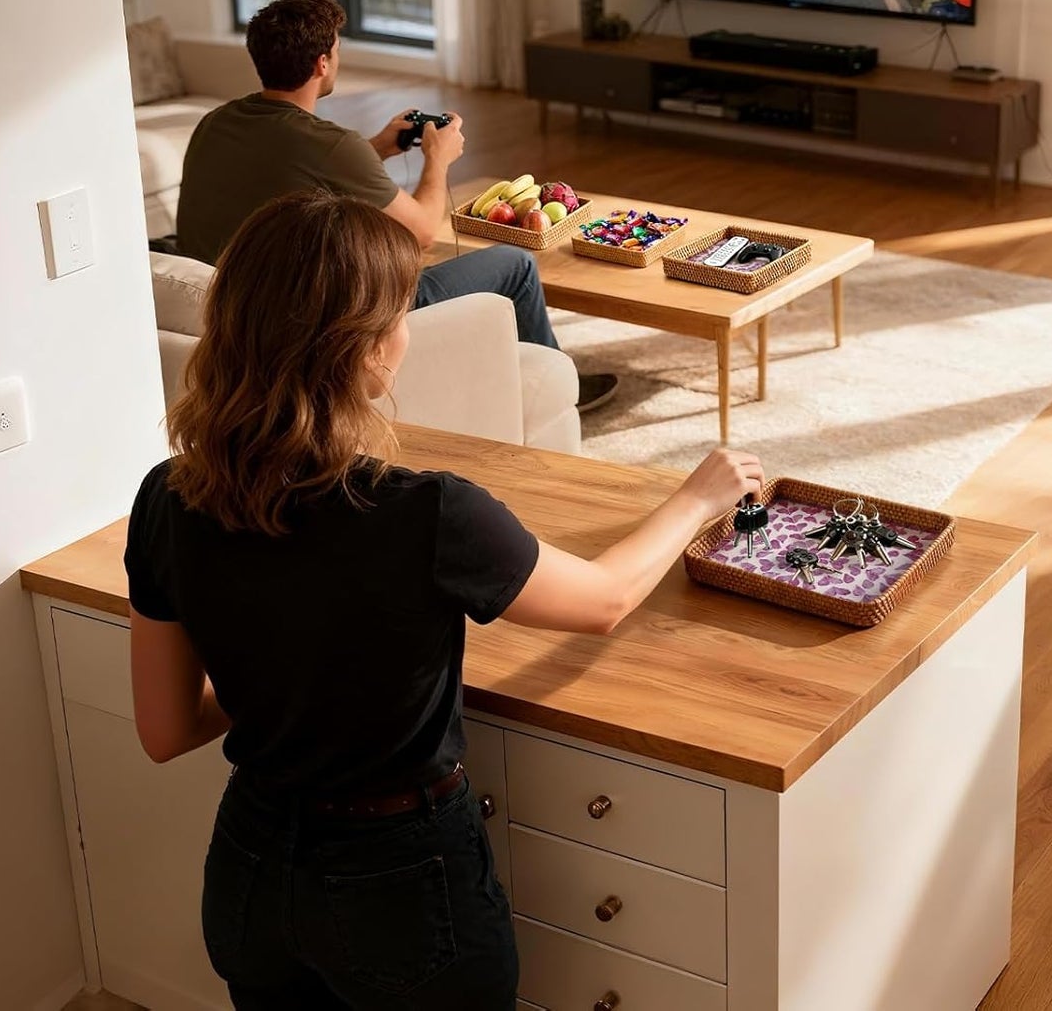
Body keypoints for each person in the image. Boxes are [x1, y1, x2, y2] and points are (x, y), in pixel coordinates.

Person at [127, 191, 764, 1010]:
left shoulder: (166, 497)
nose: (403, 333)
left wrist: (276, 675)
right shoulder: (425, 513)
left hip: (251, 872)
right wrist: (695, 500)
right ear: (364, 354)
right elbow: (604, 600)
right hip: (399, 880)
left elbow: (165, 728)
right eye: (397, 314)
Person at [174, 0, 617, 412]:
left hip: (244, 301)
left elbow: (291, 173)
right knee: (514, 266)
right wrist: (437, 160)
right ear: (322, 63)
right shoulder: (330, 146)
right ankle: (556, 387)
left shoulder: (215, 123)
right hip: (325, 310)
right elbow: (421, 230)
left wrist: (378, 149)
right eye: (337, 50)